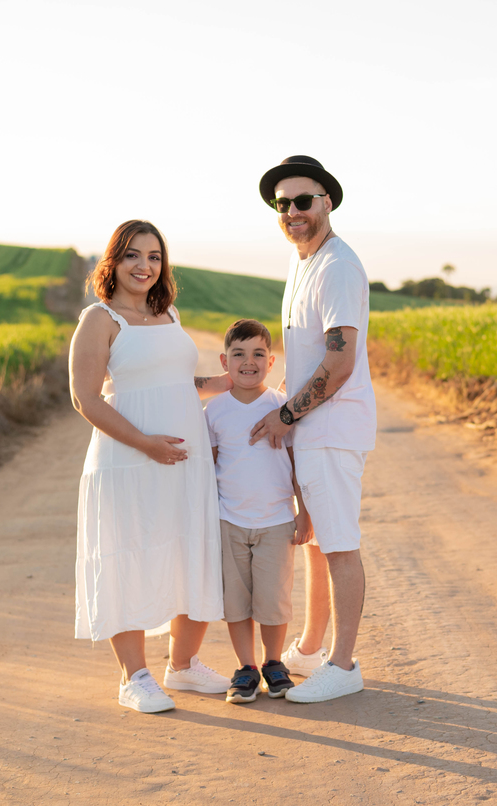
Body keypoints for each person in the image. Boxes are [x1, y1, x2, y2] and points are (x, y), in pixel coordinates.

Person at [70, 219, 232, 714]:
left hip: (185, 461)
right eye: (133, 255)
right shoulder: (99, 319)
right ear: (113, 262)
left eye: (155, 256)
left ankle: (181, 666)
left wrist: (234, 381)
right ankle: (133, 677)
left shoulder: (170, 314)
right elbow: (84, 398)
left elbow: (180, 381)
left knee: (189, 551)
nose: (145, 266)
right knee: (130, 555)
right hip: (127, 461)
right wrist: (145, 443)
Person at [250, 156, 377, 703]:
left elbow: (340, 361)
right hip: (312, 427)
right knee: (317, 540)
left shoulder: (337, 267)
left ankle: (343, 665)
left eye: (303, 200)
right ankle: (309, 647)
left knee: (339, 544)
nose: (293, 211)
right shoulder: (304, 262)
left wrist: (283, 416)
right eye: (283, 204)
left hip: (330, 428)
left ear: (327, 202)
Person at [204, 319, 313, 703]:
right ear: (225, 361)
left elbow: (297, 462)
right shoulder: (214, 411)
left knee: (273, 598)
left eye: (258, 354)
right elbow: (209, 470)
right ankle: (246, 667)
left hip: (276, 520)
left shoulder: (282, 410)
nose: (248, 361)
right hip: (229, 520)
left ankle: (273, 663)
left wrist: (305, 512)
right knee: (235, 600)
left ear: (271, 362)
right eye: (238, 354)